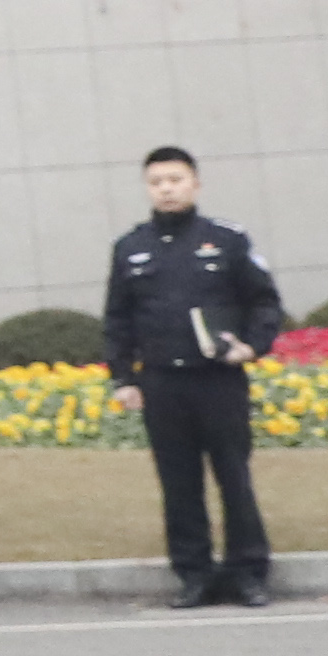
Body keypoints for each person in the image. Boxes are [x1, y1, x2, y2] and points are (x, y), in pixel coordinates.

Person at [103, 147, 286, 608]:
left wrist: (251, 345)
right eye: (157, 181)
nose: (166, 188)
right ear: (148, 188)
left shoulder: (226, 239)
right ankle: (194, 576)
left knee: (234, 478)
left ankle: (248, 573)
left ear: (195, 184)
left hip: (218, 381)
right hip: (163, 383)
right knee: (178, 484)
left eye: (175, 179)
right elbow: (118, 318)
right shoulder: (131, 247)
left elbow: (264, 301)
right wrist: (124, 378)